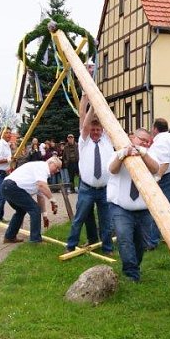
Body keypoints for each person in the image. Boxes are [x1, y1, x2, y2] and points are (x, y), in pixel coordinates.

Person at [107, 128, 160, 282]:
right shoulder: (118, 152)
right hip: (121, 208)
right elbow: (112, 169)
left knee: (141, 242)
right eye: (141, 139)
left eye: (147, 141)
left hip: (143, 209)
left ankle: (134, 266)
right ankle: (131, 274)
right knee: (124, 238)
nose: (144, 142)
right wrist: (122, 155)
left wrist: (143, 153)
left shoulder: (149, 154)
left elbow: (155, 168)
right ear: (132, 138)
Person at [65, 95, 115, 256]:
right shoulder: (84, 141)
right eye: (93, 130)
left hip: (105, 189)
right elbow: (84, 124)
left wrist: (98, 102)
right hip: (87, 188)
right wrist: (90, 105)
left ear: (102, 131)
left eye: (97, 130)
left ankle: (107, 249)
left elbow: (108, 121)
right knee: (79, 218)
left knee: (106, 221)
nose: (95, 132)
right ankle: (71, 245)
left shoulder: (107, 140)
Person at [2, 156, 62, 244]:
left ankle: (9, 237)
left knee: (21, 211)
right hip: (12, 186)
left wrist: (44, 216)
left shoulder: (40, 172)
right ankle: (35, 240)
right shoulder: (42, 167)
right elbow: (41, 185)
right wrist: (53, 200)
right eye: (57, 167)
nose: (57, 171)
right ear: (51, 163)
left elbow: (40, 197)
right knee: (34, 209)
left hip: (6, 187)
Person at [148, 117, 170, 249]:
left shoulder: (161, 140)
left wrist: (157, 178)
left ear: (155, 128)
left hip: (167, 177)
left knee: (159, 209)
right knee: (169, 210)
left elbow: (165, 162)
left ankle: (152, 241)